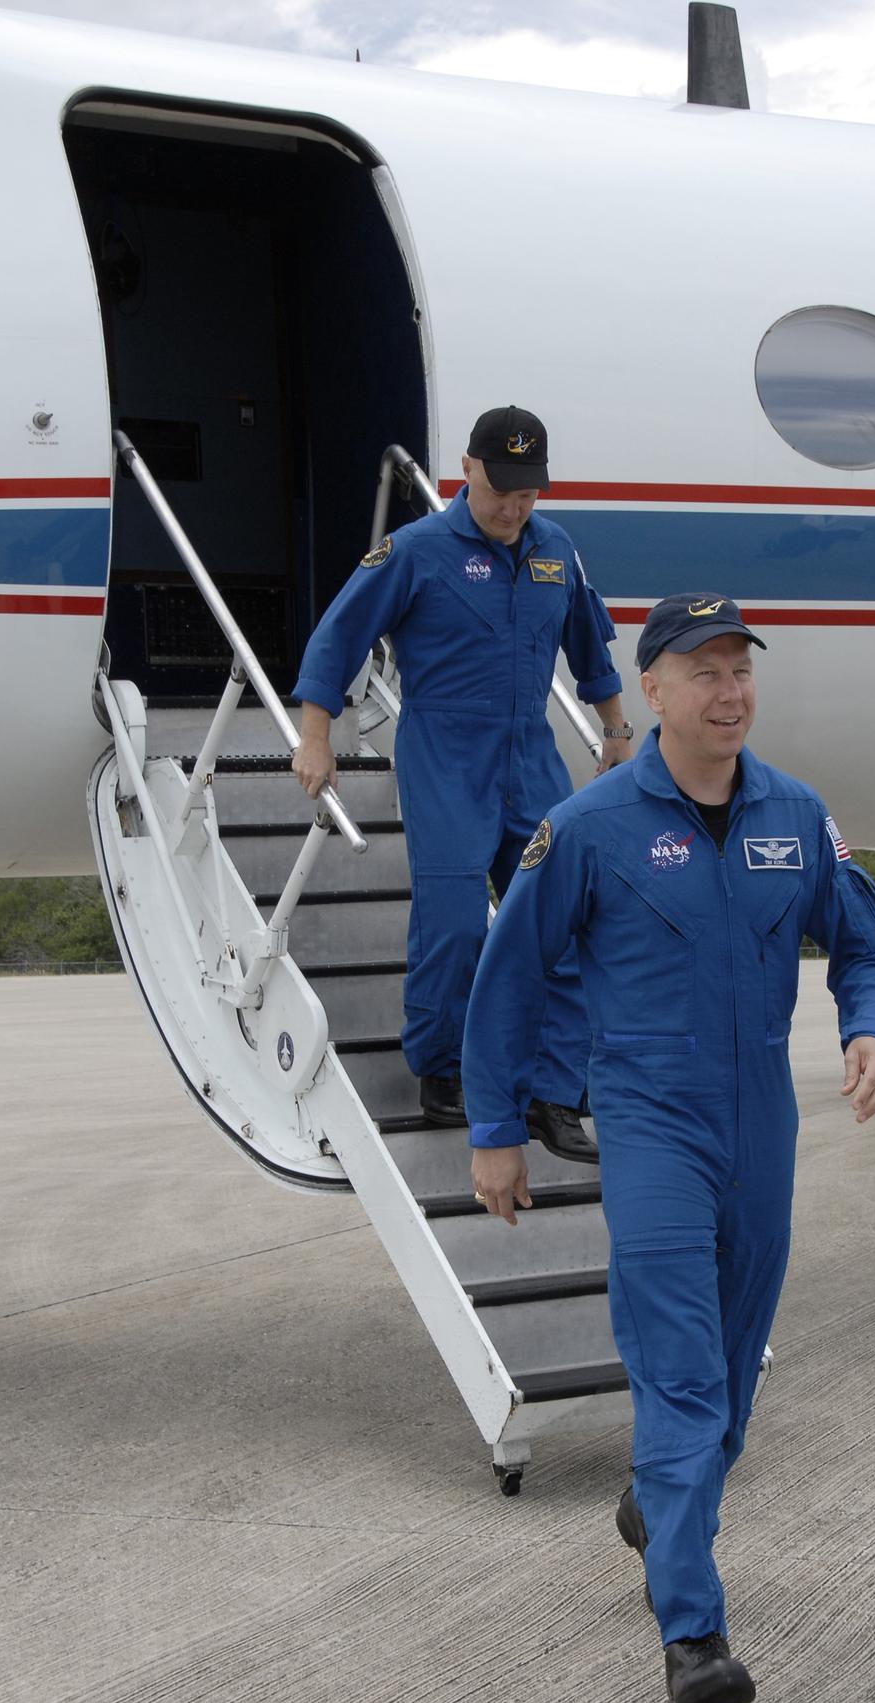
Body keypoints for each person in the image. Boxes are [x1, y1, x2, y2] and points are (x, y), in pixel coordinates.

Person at [462, 592, 875, 1703]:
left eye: (739, 670)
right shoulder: (590, 827)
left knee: (733, 1377)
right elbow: (508, 980)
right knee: (681, 1375)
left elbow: (869, 946)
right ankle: (693, 1636)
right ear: (651, 689)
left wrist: (871, 1027)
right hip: (651, 1117)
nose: (729, 692)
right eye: (703, 672)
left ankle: (657, 1507)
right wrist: (495, 1131)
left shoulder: (796, 816)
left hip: (761, 1118)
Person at [291, 406, 632, 1160]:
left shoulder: (555, 550)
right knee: (451, 926)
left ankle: (552, 1093)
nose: (513, 508)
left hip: (530, 754)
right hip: (444, 755)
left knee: (560, 917)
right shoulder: (415, 551)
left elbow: (590, 645)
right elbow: (337, 639)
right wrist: (315, 738)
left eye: (528, 494)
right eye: (500, 490)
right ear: (467, 470)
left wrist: (615, 729)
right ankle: (444, 1071)